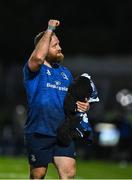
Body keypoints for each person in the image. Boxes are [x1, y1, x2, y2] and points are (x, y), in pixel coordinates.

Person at [23, 19, 90, 179]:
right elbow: (38, 58)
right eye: (54, 45)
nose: (60, 48)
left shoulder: (65, 73)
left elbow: (71, 100)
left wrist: (82, 105)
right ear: (44, 48)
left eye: (59, 44)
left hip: (62, 131)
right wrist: (49, 29)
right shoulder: (33, 69)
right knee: (38, 174)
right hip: (39, 131)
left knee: (69, 173)